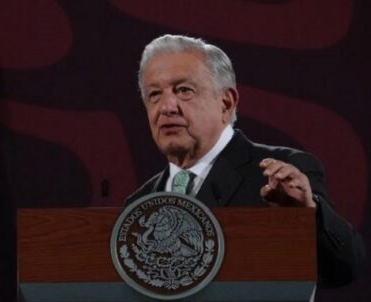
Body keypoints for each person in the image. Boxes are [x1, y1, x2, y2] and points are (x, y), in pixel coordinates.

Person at [125, 34, 366, 287]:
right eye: (154, 95)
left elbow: (345, 268)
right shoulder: (138, 205)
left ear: (226, 103)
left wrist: (308, 215)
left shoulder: (280, 177)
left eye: (184, 90)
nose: (166, 107)